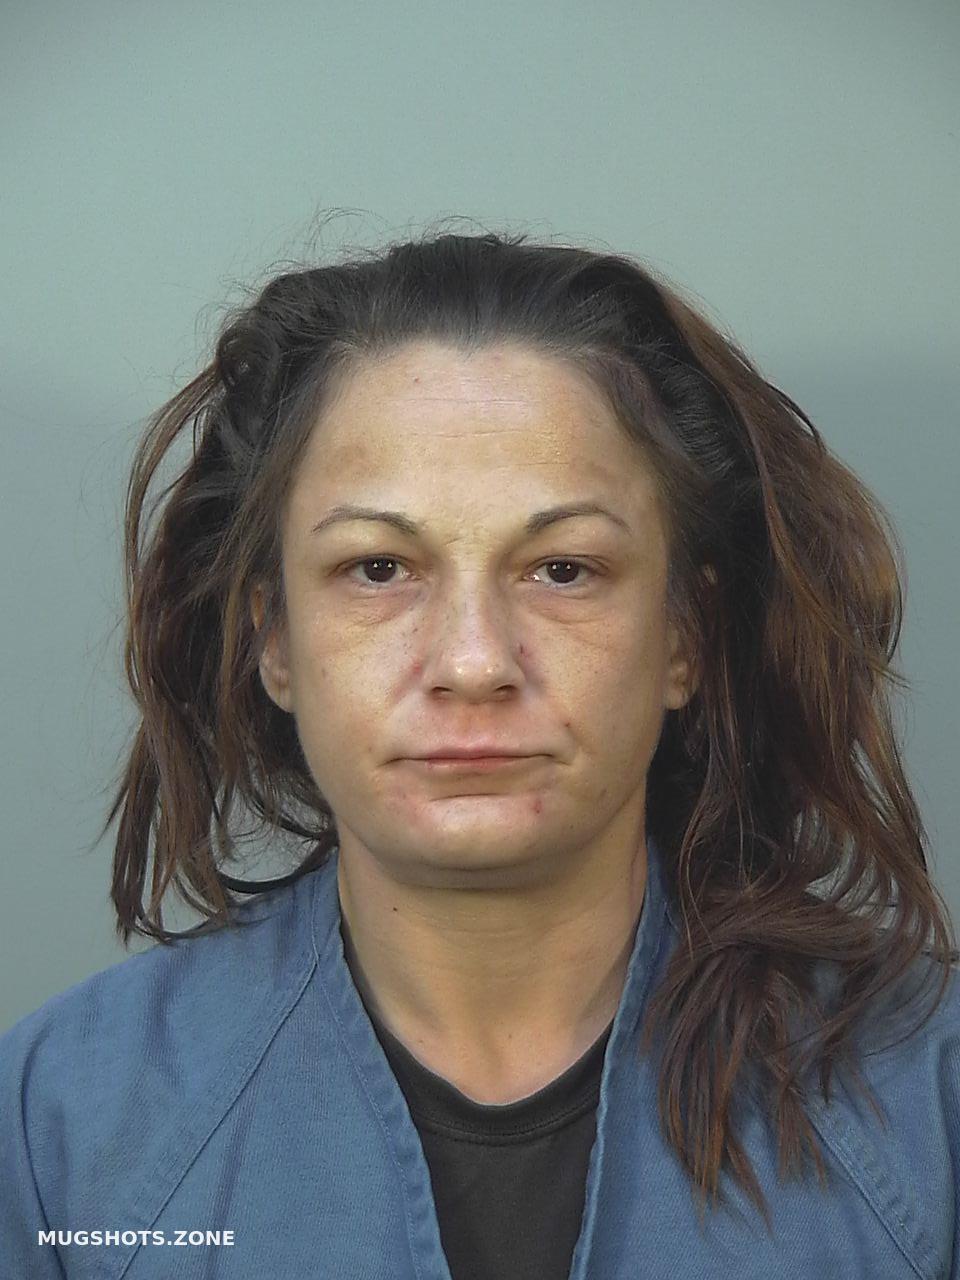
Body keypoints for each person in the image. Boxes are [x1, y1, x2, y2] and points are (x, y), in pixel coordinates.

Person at [1, 228, 958, 1280]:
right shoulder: (57, 1129)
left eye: (562, 568)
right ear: (273, 637)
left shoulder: (933, 1102)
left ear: (684, 636)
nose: (472, 662)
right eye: (377, 568)